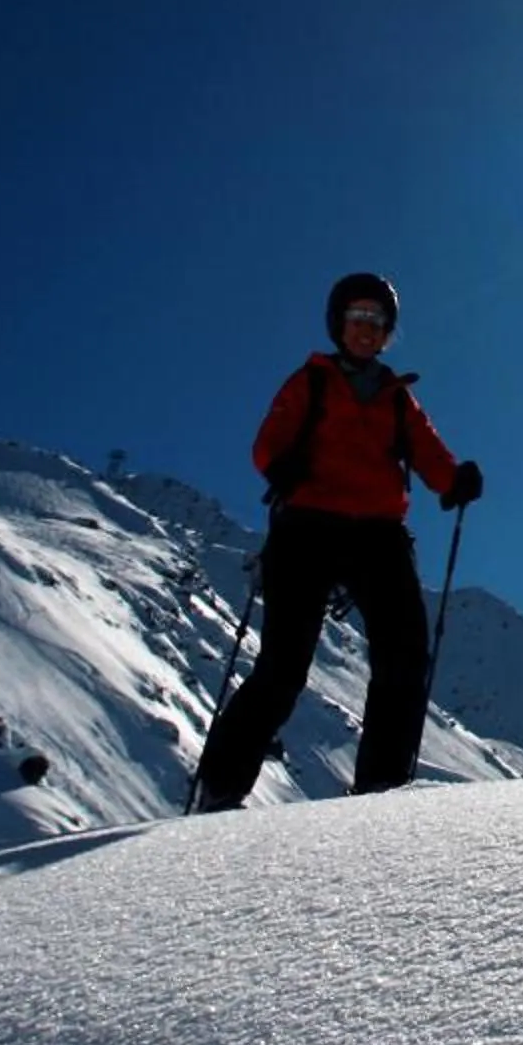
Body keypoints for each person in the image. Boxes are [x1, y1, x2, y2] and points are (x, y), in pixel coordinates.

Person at [192, 272, 483, 809]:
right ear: (339, 324)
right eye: (358, 318)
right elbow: (269, 442)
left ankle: (380, 789)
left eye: (377, 321)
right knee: (283, 666)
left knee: (404, 658)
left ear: (387, 331)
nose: (366, 329)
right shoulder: (312, 381)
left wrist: (454, 480)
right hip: (308, 527)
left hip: (378, 534)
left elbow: (429, 453)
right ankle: (222, 787)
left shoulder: (398, 398)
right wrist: (282, 467)